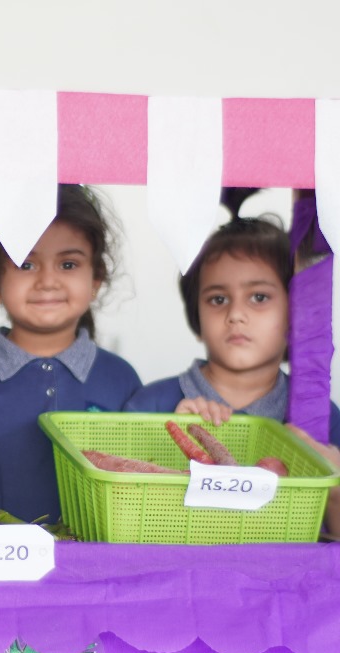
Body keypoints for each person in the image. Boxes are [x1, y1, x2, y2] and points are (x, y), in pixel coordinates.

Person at [0, 184, 141, 522]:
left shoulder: (121, 380)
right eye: (26, 265)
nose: (47, 281)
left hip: (93, 557)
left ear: (96, 280)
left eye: (68, 264)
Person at [126, 214, 340, 536]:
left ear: (296, 312)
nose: (236, 314)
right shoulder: (150, 406)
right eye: (218, 299)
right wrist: (167, 439)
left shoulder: (322, 419)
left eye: (259, 297)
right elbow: (124, 516)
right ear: (197, 316)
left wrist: (334, 488)